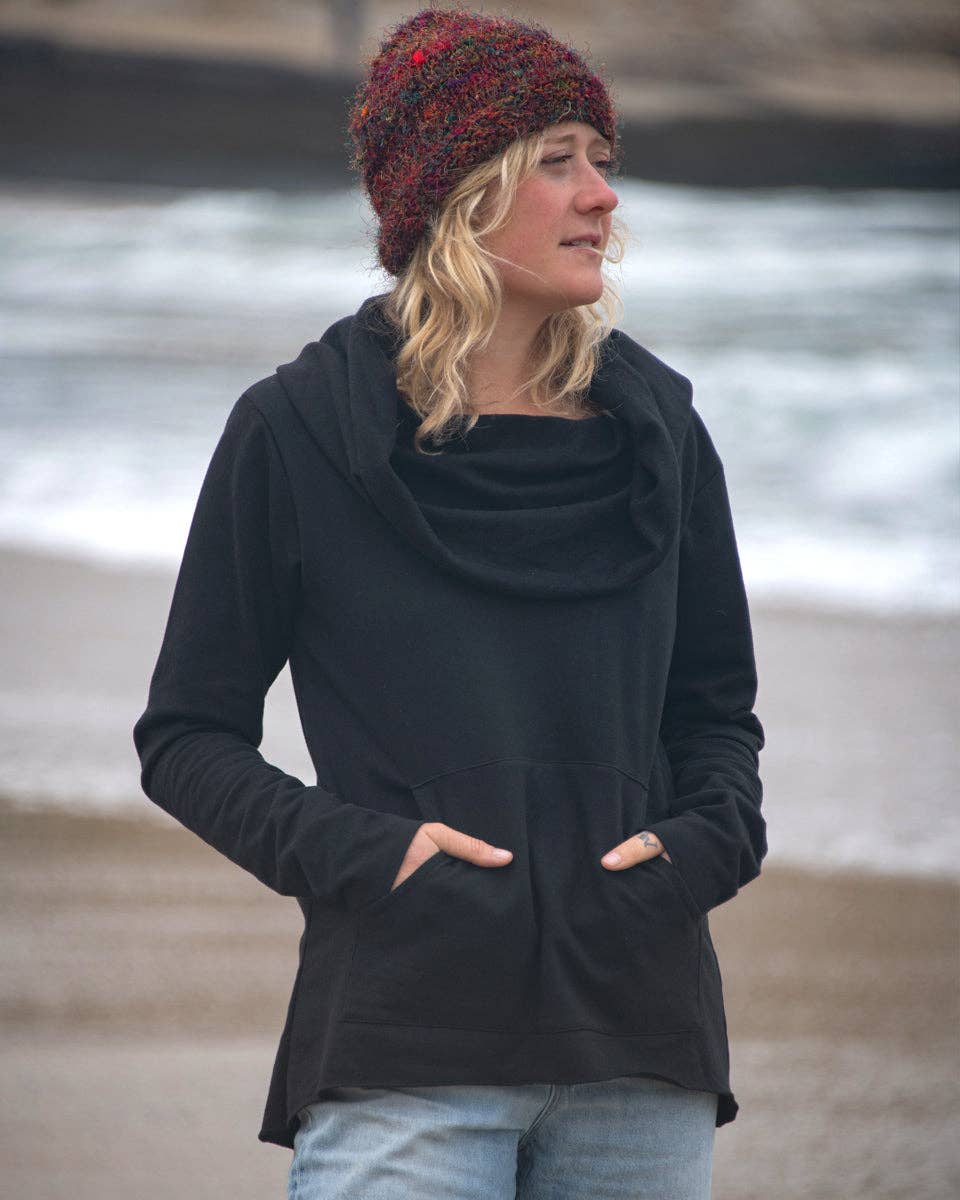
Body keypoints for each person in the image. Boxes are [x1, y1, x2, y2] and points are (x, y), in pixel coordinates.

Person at [133, 9, 766, 1199]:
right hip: (402, 1047)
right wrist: (375, 856)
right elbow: (186, 738)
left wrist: (700, 850)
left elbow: (715, 717)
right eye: (558, 161)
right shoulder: (298, 433)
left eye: (603, 162)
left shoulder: (660, 434)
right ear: (456, 194)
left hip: (642, 1043)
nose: (602, 197)